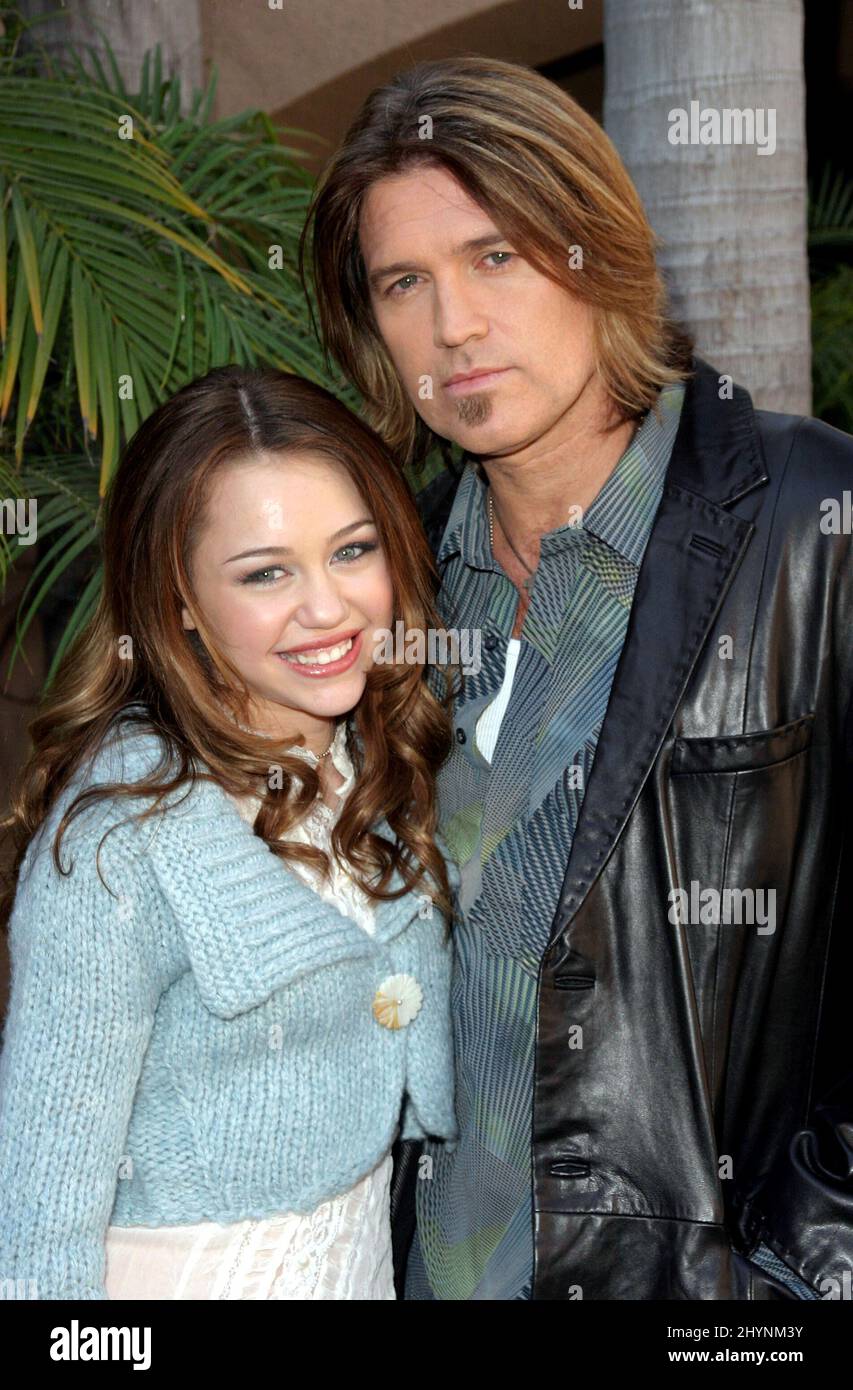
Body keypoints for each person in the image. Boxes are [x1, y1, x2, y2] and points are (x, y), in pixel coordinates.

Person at [300, 55, 853, 1300]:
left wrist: (803, 1277)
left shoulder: (814, 523)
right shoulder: (375, 597)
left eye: (495, 256)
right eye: (405, 283)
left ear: (591, 248)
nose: (453, 327)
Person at [0, 366, 462, 1300]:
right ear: (178, 603)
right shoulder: (123, 839)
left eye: (352, 550)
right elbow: (39, 1207)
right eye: (266, 573)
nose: (328, 609)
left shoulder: (369, 760)